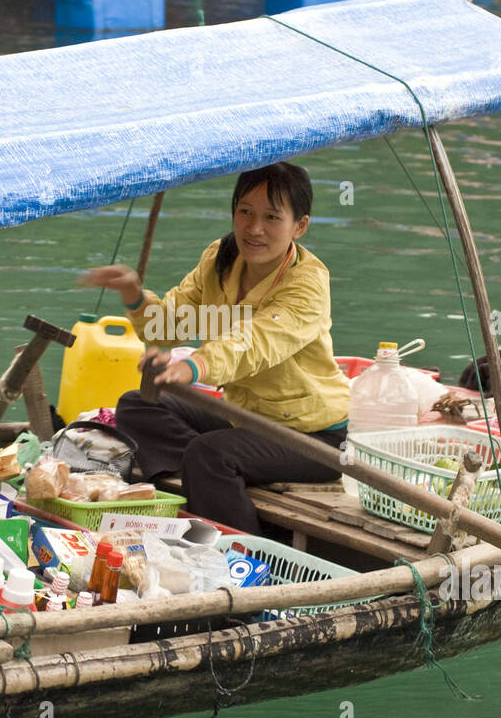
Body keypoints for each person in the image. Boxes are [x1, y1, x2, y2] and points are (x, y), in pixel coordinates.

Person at [80, 162, 350, 534]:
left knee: (209, 453)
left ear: (299, 226)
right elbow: (170, 326)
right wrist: (133, 293)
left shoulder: (307, 282)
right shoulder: (220, 259)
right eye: (245, 212)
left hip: (310, 436)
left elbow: (253, 343)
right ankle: (215, 477)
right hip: (244, 415)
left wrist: (196, 366)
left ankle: (245, 553)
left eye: (272, 217)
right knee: (137, 404)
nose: (254, 229)